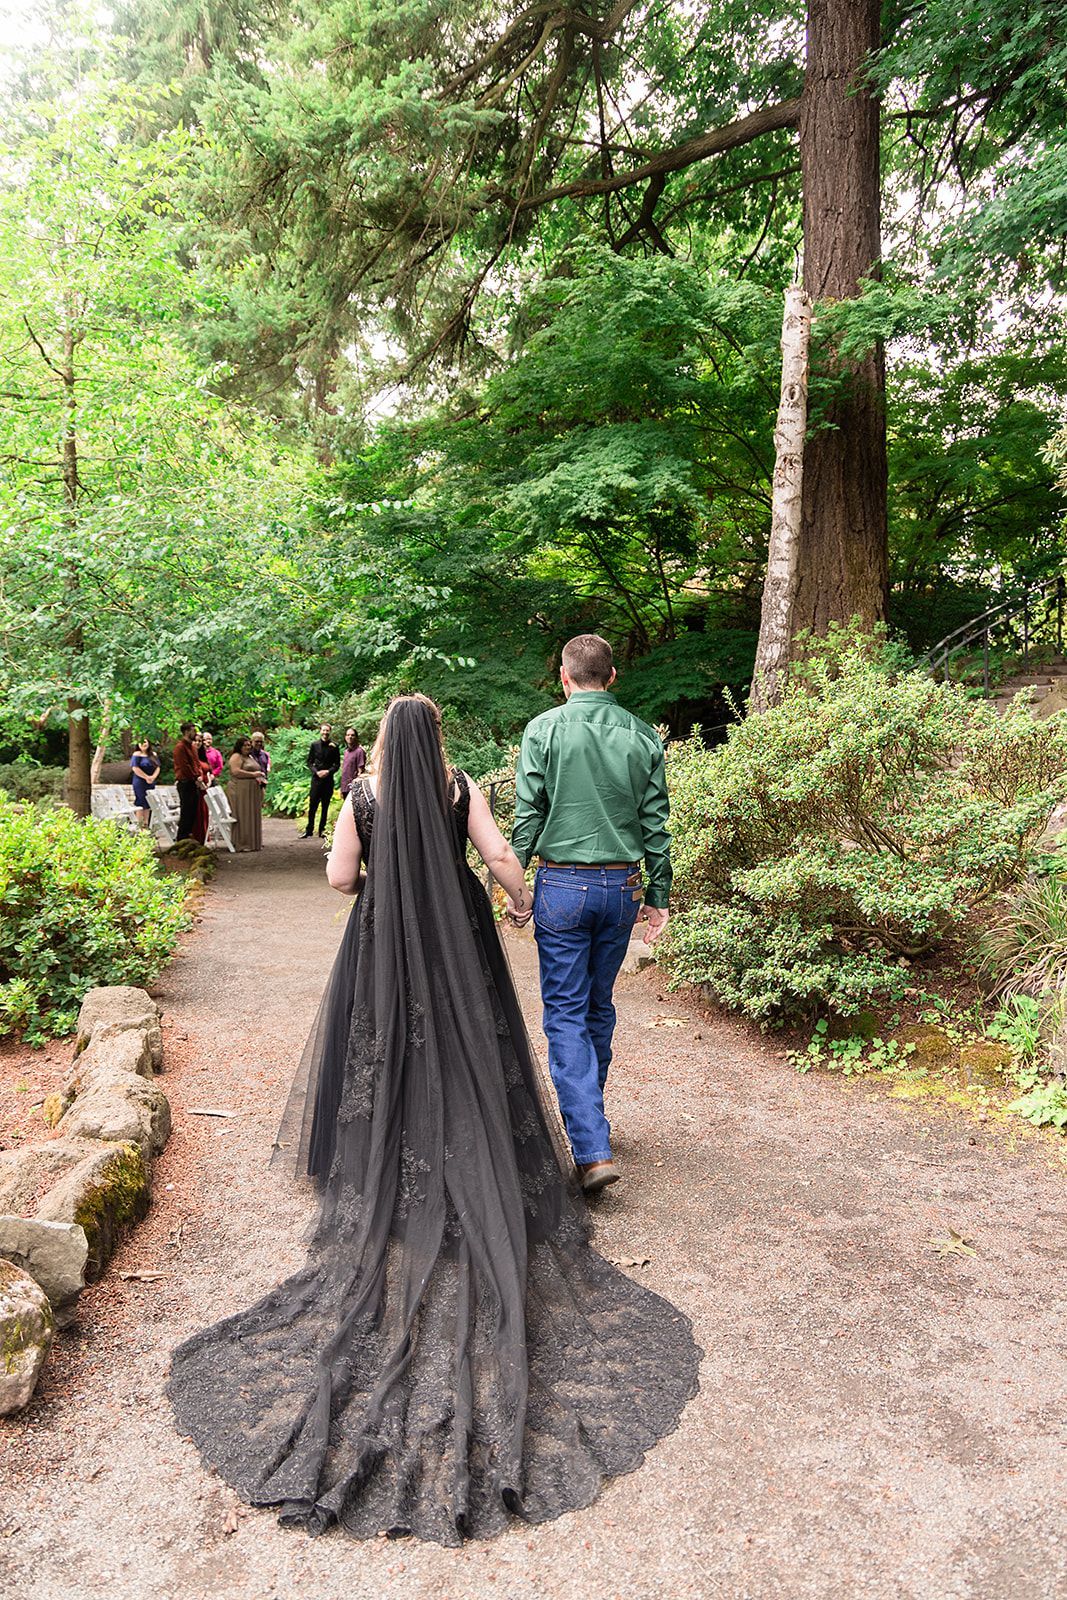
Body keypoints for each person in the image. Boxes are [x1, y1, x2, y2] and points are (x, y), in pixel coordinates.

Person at [167, 694, 698, 1546]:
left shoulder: (362, 795)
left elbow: (340, 878)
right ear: (438, 738)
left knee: (383, 1044)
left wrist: (381, 870)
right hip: (457, 930)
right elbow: (497, 856)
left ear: (379, 740)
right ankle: (477, 1140)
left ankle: (388, 1150)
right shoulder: (456, 785)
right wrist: (516, 901)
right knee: (472, 1040)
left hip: (385, 933)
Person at [512, 634, 671, 1196]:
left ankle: (590, 1146)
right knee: (597, 1004)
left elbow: (529, 814)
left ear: (564, 676)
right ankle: (590, 1124)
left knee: (564, 1012)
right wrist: (660, 895)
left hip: (563, 885)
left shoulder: (543, 730)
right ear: (612, 676)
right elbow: (656, 824)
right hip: (623, 888)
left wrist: (511, 882)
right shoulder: (642, 735)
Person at [227, 736, 266, 852]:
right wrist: (254, 775)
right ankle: (243, 843)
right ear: (239, 746)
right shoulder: (236, 756)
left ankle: (252, 843)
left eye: (249, 745)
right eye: (245, 745)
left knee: (251, 815)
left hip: (251, 790)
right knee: (243, 815)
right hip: (240, 790)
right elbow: (236, 771)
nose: (248, 747)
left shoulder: (249, 757)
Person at [303, 722, 339, 838]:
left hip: (328, 780)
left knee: (325, 806)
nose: (325, 733)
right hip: (316, 780)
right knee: (312, 805)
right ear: (320, 731)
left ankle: (322, 830)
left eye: (327, 730)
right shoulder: (314, 745)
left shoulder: (334, 746)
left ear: (330, 732)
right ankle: (309, 830)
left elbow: (337, 764)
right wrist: (316, 772)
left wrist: (328, 772)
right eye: (323, 730)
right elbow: (309, 762)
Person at [172, 723, 203, 841]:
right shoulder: (180, 747)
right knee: (186, 811)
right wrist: (195, 778)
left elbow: (197, 763)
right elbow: (184, 766)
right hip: (185, 782)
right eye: (193, 730)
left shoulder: (193, 747)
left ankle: (189, 836)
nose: (195, 733)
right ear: (186, 732)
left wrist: (199, 775)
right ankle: (181, 838)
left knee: (193, 812)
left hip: (194, 782)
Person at [129, 738, 160, 828]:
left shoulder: (153, 755)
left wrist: (153, 777)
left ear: (149, 743)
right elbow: (135, 768)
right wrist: (146, 777)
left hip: (151, 782)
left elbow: (158, 767)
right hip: (140, 782)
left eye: (145, 742)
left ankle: (146, 824)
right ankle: (139, 825)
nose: (143, 744)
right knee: (140, 801)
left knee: (148, 802)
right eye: (141, 742)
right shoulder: (136, 755)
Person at [338, 726, 366, 798]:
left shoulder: (359, 751)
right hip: (345, 787)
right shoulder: (346, 752)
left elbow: (361, 771)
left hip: (354, 788)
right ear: (345, 737)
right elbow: (344, 771)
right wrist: (341, 788)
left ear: (356, 737)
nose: (350, 737)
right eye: (348, 735)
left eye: (352, 735)